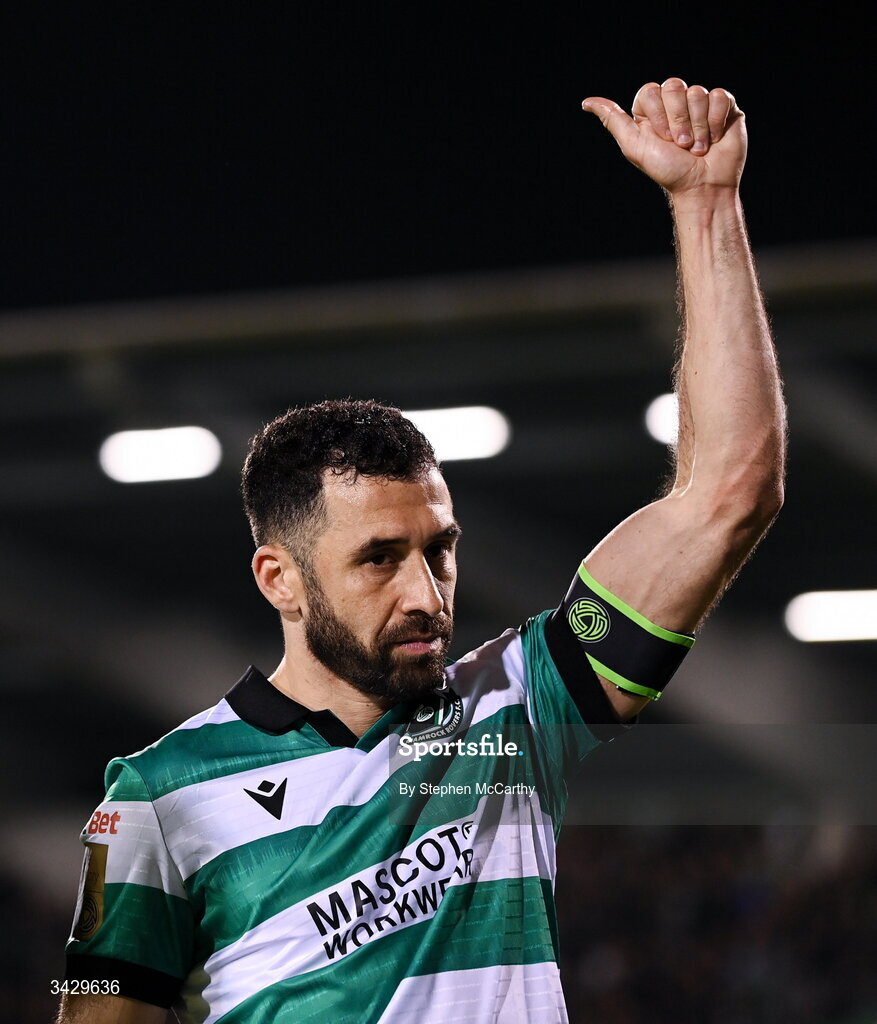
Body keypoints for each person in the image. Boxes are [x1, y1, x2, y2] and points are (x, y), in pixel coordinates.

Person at [57, 78, 785, 1024]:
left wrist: (705, 204)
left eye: (438, 550)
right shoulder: (155, 795)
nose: (424, 591)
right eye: (377, 558)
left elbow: (730, 489)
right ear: (278, 578)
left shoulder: (514, 710)